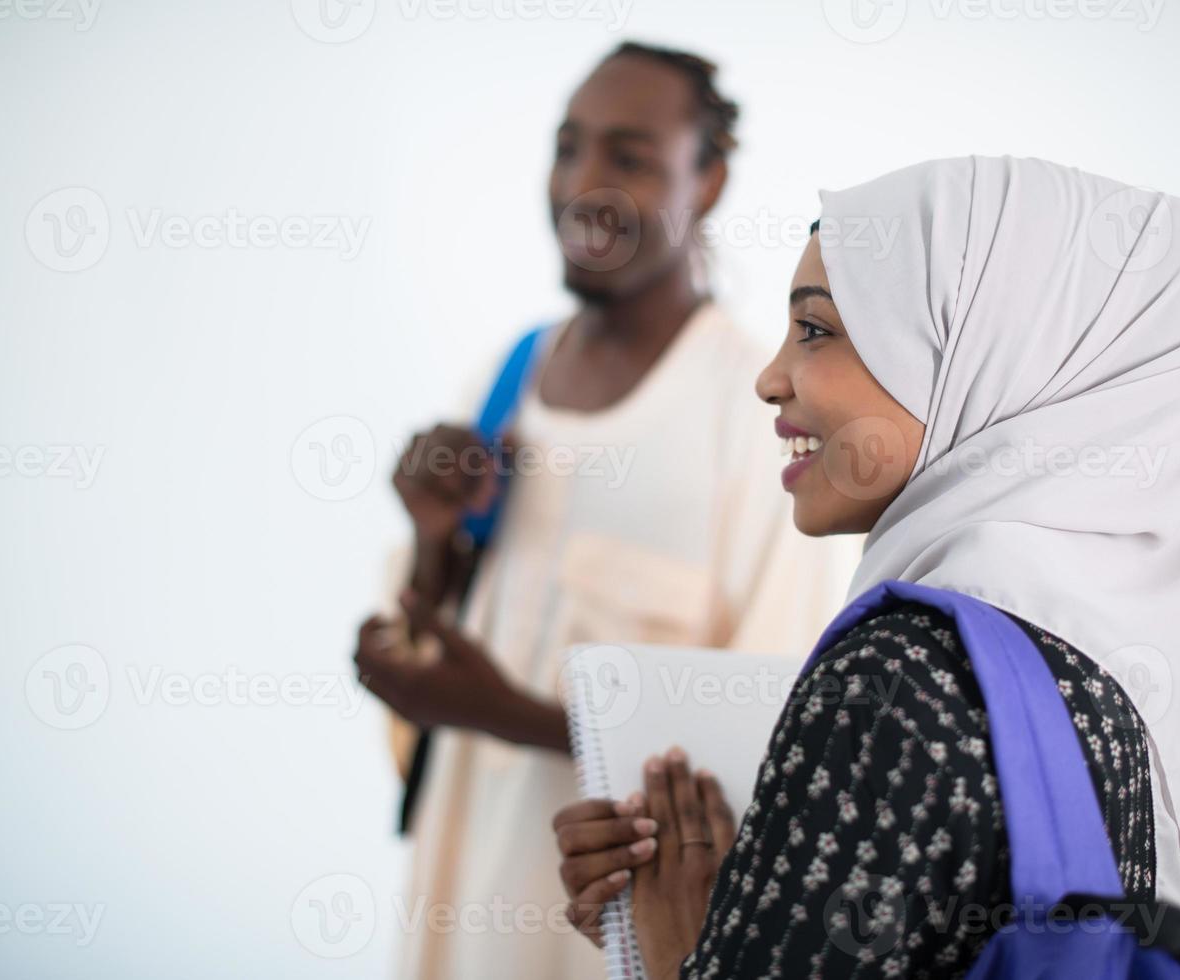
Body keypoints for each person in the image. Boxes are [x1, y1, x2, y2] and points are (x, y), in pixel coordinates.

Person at [553, 156, 1180, 978]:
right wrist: (754, 905)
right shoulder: (1121, 690)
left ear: (989, 354)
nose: (769, 377)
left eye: (817, 329)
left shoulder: (898, 674)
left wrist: (674, 932)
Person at [353, 43, 856, 980]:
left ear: (705, 178)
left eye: (627, 156)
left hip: (613, 947)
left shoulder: (754, 417)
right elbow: (428, 663)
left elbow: (771, 749)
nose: (582, 183)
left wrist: (508, 715)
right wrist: (430, 542)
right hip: (459, 924)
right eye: (568, 147)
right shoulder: (510, 377)